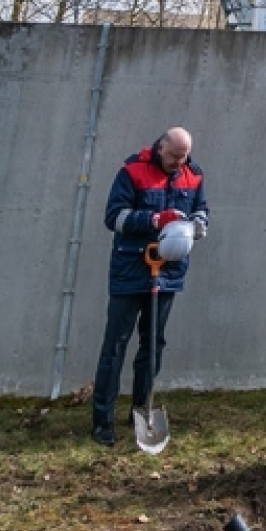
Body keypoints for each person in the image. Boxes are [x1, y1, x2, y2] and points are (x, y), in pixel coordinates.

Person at [90, 128, 209, 447]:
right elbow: (114, 217)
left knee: (153, 344)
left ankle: (140, 409)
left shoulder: (192, 175)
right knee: (116, 344)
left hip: (168, 271)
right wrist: (155, 220)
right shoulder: (132, 172)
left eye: (183, 156)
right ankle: (102, 420)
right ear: (160, 147)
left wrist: (195, 226)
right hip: (131, 269)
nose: (178, 162)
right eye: (173, 155)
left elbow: (202, 210)